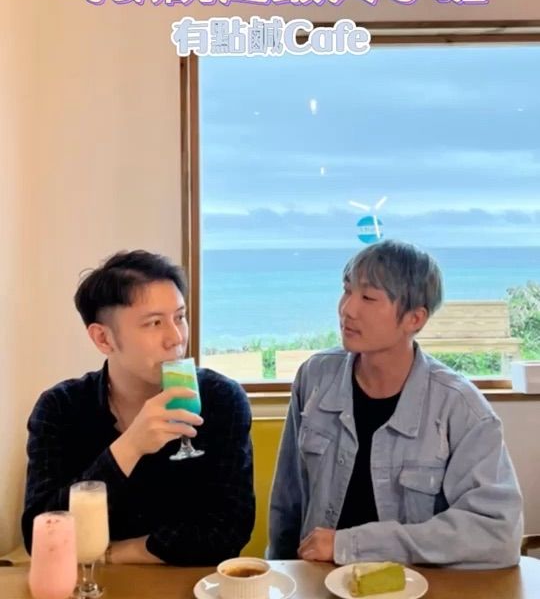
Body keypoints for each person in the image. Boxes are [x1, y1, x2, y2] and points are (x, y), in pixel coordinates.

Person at [267, 239, 523, 569]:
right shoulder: (314, 377)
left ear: (415, 318)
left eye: (368, 298)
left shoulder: (460, 408)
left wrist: (351, 545)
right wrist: (282, 575)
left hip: (418, 586)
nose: (347, 309)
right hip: (316, 581)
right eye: (347, 290)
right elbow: (287, 502)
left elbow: (497, 533)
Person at [22, 250, 255, 565]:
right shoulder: (60, 408)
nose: (176, 338)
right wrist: (129, 447)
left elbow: (229, 531)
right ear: (103, 339)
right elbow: (41, 535)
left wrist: (115, 552)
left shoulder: (221, 400)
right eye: (154, 323)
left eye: (180, 317)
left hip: (191, 583)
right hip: (93, 584)